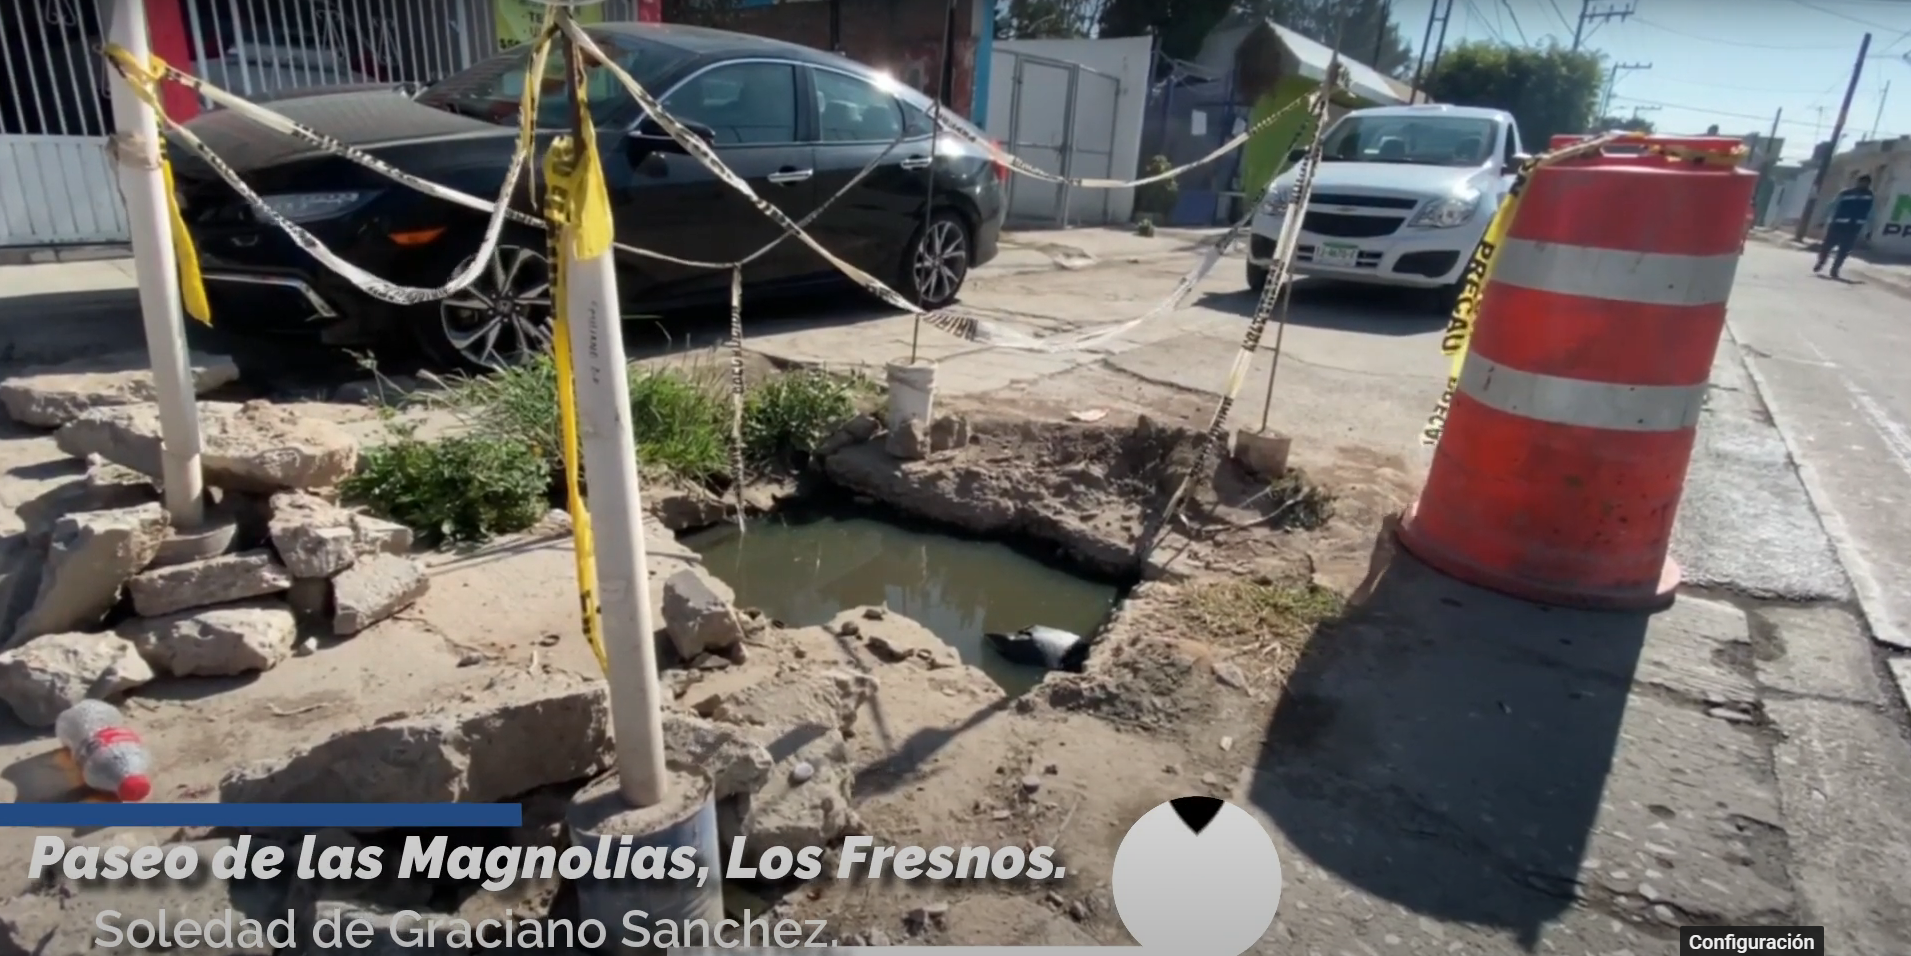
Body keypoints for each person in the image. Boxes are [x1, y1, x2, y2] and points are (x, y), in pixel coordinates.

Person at [1815, 174, 1876, 278]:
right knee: (1827, 246)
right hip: (1838, 224)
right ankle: (1821, 262)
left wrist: (1869, 230)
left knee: (1844, 250)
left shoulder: (1869, 196)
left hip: (1854, 227)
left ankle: (1835, 269)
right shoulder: (1845, 193)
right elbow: (1832, 205)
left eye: (1866, 183)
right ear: (1858, 182)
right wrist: (1822, 219)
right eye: (1862, 182)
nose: (1864, 185)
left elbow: (1871, 213)